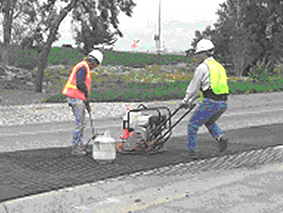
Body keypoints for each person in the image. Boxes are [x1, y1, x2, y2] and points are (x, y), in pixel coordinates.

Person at [179, 39, 229, 157]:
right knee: (209, 121)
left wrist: (185, 100)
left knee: (192, 124)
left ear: (203, 53)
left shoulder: (203, 67)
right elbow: (206, 88)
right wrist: (191, 101)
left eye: (198, 54)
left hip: (211, 102)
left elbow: (194, 86)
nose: (197, 57)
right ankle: (220, 138)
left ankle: (192, 151)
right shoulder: (219, 66)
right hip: (223, 103)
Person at [62, 49, 103, 156]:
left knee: (81, 123)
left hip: (76, 98)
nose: (94, 68)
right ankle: (76, 149)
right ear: (93, 62)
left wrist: (86, 102)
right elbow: (80, 84)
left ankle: (79, 146)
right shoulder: (83, 67)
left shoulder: (83, 66)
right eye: (96, 65)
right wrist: (85, 92)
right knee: (79, 124)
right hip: (75, 98)